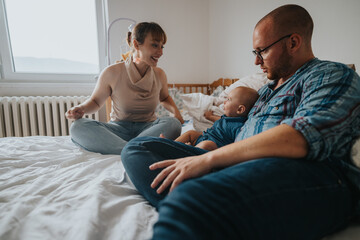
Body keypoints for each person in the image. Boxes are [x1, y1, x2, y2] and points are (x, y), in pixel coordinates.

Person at [121, 4, 360, 240]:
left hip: (309, 174)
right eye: (254, 53)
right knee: (137, 148)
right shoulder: (267, 92)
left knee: (189, 200)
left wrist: (208, 159)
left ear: (293, 43)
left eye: (262, 51)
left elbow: (301, 137)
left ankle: (198, 205)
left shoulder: (330, 75)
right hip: (239, 165)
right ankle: (216, 205)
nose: (257, 61)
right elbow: (231, 132)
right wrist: (202, 146)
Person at [65, 22, 184, 155]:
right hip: (117, 129)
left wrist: (176, 112)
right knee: (78, 126)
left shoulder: (160, 74)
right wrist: (81, 108)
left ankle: (128, 148)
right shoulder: (112, 72)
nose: (160, 52)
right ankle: (133, 148)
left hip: (149, 128)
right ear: (136, 44)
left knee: (173, 123)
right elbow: (96, 102)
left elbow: (165, 97)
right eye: (155, 45)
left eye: (162, 47)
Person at [176, 86, 259, 151]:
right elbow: (219, 120)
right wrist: (210, 117)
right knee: (190, 133)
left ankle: (188, 152)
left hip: (214, 146)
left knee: (206, 145)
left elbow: (238, 143)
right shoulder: (227, 117)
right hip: (205, 136)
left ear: (240, 109)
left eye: (229, 99)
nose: (224, 102)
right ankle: (170, 144)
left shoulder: (239, 126)